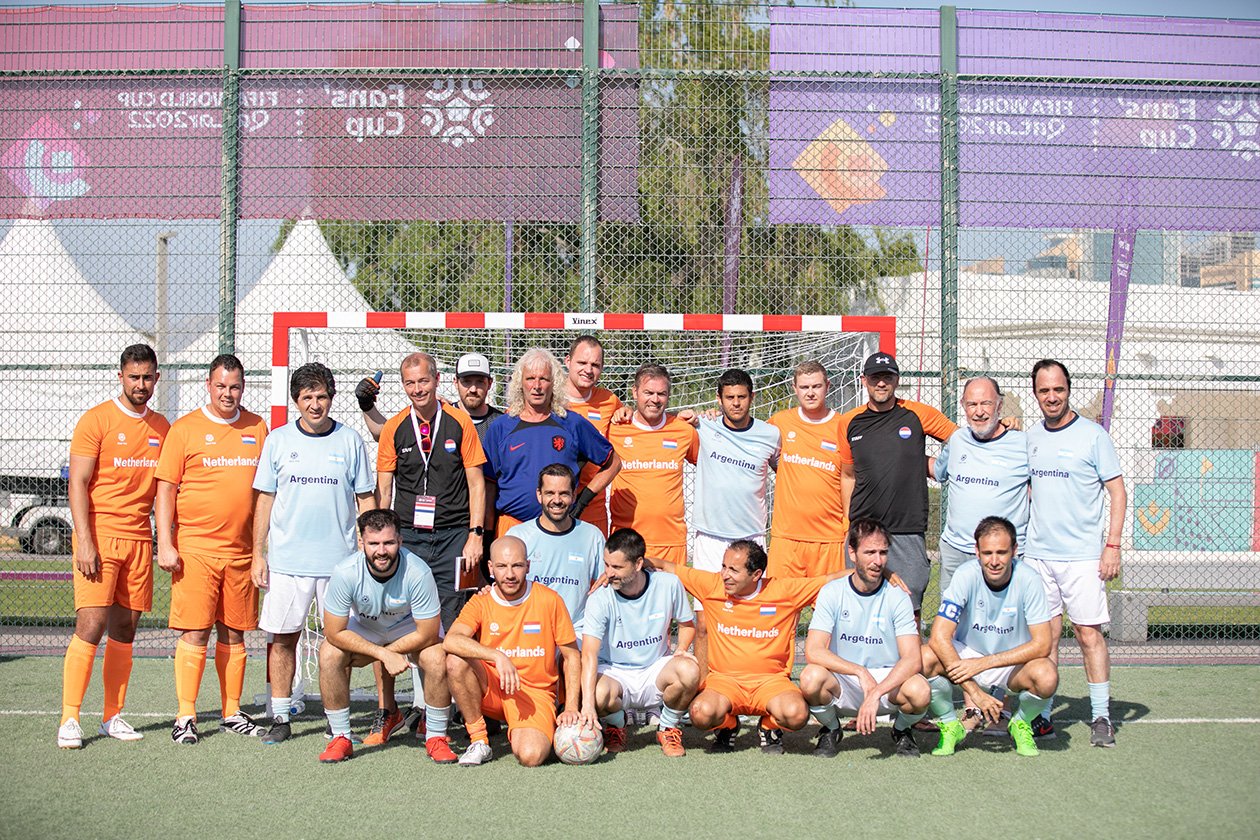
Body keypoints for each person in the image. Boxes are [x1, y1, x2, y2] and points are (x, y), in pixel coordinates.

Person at [250, 363, 375, 745]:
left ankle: (335, 716)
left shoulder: (350, 440)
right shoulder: (278, 441)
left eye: (322, 397)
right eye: (307, 398)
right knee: (283, 639)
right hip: (288, 563)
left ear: (332, 398)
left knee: (338, 644)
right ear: (296, 401)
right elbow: (265, 500)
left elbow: (367, 498)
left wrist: (369, 552)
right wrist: (259, 553)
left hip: (339, 565)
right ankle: (281, 715)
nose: (315, 405)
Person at [58, 344, 170, 749]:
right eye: (133, 377)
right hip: (100, 536)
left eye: (147, 378)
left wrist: (164, 540)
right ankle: (70, 718)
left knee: (125, 629)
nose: (140, 385)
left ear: (157, 378)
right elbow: (78, 484)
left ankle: (112, 715)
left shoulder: (162, 427)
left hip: (140, 539)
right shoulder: (96, 420)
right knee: (90, 625)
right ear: (120, 376)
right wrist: (84, 541)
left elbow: (163, 492)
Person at [155, 354, 268, 744]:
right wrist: (165, 543)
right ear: (208, 385)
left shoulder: (257, 427)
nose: (227, 393)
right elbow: (165, 489)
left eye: (234, 386)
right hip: (195, 550)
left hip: (240, 552)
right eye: (220, 386)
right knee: (195, 633)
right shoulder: (185, 429)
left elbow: (265, 492)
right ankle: (185, 716)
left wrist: (260, 550)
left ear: (243, 387)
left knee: (235, 633)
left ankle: (232, 712)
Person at [375, 352, 488, 741]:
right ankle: (407, 706)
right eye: (410, 383)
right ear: (403, 386)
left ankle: (453, 705)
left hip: (456, 534)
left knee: (454, 619)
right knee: (405, 619)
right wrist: (378, 536)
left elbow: (476, 482)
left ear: (437, 380)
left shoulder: (459, 422)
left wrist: (476, 533)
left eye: (423, 381)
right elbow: (384, 488)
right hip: (410, 535)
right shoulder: (393, 428)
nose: (418, 389)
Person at [649, 540, 848, 755]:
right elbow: (666, 567)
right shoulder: (712, 585)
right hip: (724, 682)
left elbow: (829, 579)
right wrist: (636, 561)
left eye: (733, 570)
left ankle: (769, 726)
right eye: (724, 566)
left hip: (771, 683)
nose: (725, 574)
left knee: (797, 715)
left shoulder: (783, 590)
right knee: (700, 714)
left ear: (756, 575)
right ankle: (728, 726)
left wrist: (880, 573)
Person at [1025, 359, 1126, 747]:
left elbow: (1117, 491)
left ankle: (1101, 716)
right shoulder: (1031, 437)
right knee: (1045, 640)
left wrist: (1112, 546)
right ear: (1036, 394)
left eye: (1058, 389)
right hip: (1038, 556)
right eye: (1044, 391)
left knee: (1087, 635)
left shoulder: (1093, 435)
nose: (1052, 397)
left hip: (1083, 557)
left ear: (1068, 390)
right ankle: (1044, 715)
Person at [317, 509, 456, 764]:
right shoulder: (345, 571)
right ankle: (341, 737)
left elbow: (427, 632)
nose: (382, 551)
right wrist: (381, 653)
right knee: (328, 653)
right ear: (361, 544)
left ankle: (435, 736)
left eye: (389, 542)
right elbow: (333, 631)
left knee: (436, 656)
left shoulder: (418, 571)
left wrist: (391, 649)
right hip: (367, 627)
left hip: (408, 627)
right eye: (374, 543)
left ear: (400, 542)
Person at [924, 516, 1058, 758]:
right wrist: (975, 693)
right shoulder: (965, 575)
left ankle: (1020, 723)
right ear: (976, 551)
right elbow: (938, 636)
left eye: (1001, 552)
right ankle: (951, 724)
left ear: (1015, 551)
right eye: (987, 553)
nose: (994, 561)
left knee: (1047, 676)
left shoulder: (1030, 579)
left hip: (1009, 664)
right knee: (925, 656)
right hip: (968, 655)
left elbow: (1043, 644)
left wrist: (985, 663)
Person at [443, 535, 582, 767]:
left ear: (528, 565)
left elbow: (572, 656)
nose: (509, 574)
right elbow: (451, 640)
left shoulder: (550, 600)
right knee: (455, 660)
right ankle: (479, 739)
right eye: (502, 566)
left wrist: (571, 707)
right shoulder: (481, 601)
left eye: (517, 565)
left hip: (533, 693)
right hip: (493, 686)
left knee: (531, 756)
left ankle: (533, 727)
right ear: (490, 568)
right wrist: (497, 656)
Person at [799, 518, 931, 759]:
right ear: (852, 552)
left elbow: (912, 659)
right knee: (810, 677)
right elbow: (814, 651)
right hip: (846, 680)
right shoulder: (832, 591)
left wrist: (876, 692)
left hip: (887, 683)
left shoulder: (898, 596)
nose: (878, 561)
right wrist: (860, 672)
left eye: (883, 553)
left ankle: (901, 731)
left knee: (920, 690)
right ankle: (831, 728)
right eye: (869, 552)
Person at [838, 352, 957, 617]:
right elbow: (848, 475)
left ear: (897, 380)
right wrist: (848, 524)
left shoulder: (917, 414)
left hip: (907, 529)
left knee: (908, 609)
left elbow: (960, 439)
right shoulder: (849, 422)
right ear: (864, 380)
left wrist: (934, 465)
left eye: (887, 377)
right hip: (863, 530)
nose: (881, 383)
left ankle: (910, 660)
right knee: (861, 610)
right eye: (875, 378)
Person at [688, 368, 780, 677]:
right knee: (704, 621)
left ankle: (753, 680)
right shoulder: (704, 427)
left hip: (751, 538)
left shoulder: (771, 435)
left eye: (742, 397)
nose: (736, 403)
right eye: (730, 398)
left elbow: (788, 471)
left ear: (752, 398)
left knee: (752, 620)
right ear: (719, 399)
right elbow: (670, 421)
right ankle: (701, 687)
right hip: (709, 539)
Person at [579, 528, 699, 757]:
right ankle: (617, 726)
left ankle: (668, 727)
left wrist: (681, 649)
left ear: (638, 564)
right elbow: (589, 654)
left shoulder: (669, 584)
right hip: (616, 672)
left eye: (617, 567)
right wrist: (587, 704)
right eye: (606, 565)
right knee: (596, 693)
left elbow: (687, 624)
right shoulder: (599, 597)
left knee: (689, 670)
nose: (608, 573)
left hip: (655, 669)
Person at [481, 347, 620, 535]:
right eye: (530, 379)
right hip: (512, 528)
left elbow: (614, 463)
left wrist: (582, 500)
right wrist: (487, 534)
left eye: (544, 379)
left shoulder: (572, 423)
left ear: (553, 383)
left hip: (560, 528)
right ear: (520, 383)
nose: (537, 386)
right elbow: (488, 485)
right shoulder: (501, 427)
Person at [931, 376, 1030, 594]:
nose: (979, 411)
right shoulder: (957, 440)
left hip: (1002, 554)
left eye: (986, 403)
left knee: (1004, 623)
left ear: (999, 406)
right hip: (956, 551)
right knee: (952, 622)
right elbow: (937, 471)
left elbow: (1039, 491)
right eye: (972, 404)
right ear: (963, 407)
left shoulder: (1022, 444)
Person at [608, 364, 698, 565]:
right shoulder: (615, 429)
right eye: (648, 392)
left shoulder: (684, 430)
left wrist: (706, 419)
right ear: (634, 392)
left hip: (670, 541)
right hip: (625, 539)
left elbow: (709, 463)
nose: (655, 400)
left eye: (662, 394)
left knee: (668, 596)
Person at [766, 361, 848, 579]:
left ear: (828, 386)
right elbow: (748, 441)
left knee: (829, 611)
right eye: (804, 387)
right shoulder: (780, 422)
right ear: (795, 389)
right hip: (787, 539)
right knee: (782, 609)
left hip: (829, 539)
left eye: (816, 386)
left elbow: (852, 478)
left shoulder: (844, 426)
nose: (810, 393)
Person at [507, 464, 604, 634]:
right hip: (528, 628)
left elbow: (606, 586)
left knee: (572, 661)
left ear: (574, 495)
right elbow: (503, 586)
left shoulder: (592, 536)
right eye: (550, 493)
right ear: (539, 495)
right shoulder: (518, 536)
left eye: (564, 493)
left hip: (575, 631)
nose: (557, 500)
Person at [355, 352, 501, 443]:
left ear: (489, 383)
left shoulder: (503, 423)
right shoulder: (438, 415)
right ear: (455, 382)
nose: (473, 389)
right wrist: (366, 404)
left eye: (480, 382)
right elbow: (385, 435)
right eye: (467, 382)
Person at [563, 335, 624, 535]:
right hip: (554, 504)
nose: (588, 370)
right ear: (567, 361)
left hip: (593, 507)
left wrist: (628, 411)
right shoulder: (549, 397)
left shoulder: (609, 401)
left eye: (595, 365)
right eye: (582, 362)